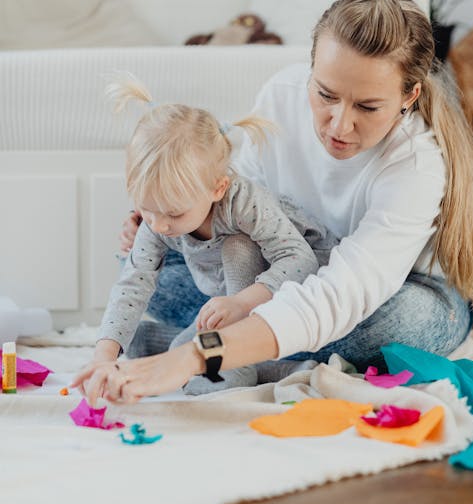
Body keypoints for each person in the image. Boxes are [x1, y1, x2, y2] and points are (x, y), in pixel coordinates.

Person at [73, 0, 473, 405]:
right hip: (281, 272)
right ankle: (257, 345)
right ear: (310, 69)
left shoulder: (416, 163)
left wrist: (194, 357)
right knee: (149, 268)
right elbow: (242, 208)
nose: (339, 125)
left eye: (367, 107)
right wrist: (180, 224)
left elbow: (341, 295)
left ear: (409, 96)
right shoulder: (280, 95)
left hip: (387, 296)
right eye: (325, 95)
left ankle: (215, 345)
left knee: (400, 324)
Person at [90, 73, 328, 394]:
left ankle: (238, 368)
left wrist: (241, 304)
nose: (158, 225)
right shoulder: (157, 220)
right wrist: (102, 356)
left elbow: (301, 261)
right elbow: (133, 284)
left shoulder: (243, 203)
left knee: (237, 247)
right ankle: (273, 366)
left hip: (291, 286)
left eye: (174, 213)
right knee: (136, 339)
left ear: (218, 188)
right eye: (146, 208)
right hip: (225, 294)